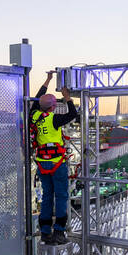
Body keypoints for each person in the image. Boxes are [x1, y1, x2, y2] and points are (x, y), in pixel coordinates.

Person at [30, 71, 78, 244]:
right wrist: (67, 97)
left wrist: (48, 80)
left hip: (42, 163)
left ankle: (44, 231)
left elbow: (37, 99)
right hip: (56, 162)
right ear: (53, 107)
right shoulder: (53, 119)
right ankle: (58, 231)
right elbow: (73, 114)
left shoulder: (34, 117)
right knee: (61, 195)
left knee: (47, 195)